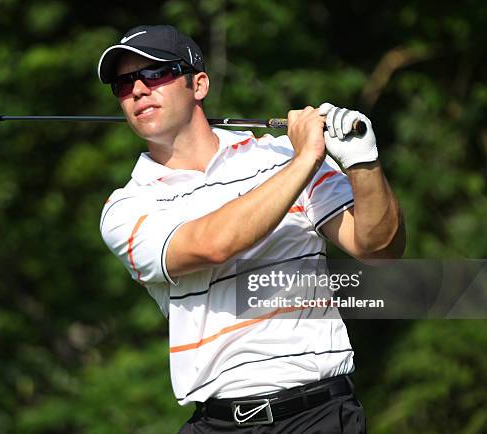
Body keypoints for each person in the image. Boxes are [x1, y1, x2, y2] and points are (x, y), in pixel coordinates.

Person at [97, 24, 405, 433]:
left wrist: (363, 161)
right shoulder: (126, 206)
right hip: (218, 423)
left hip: (319, 416)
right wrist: (305, 159)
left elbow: (379, 248)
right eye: (123, 83)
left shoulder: (280, 155)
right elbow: (210, 246)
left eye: (155, 74)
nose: (137, 90)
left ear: (199, 84)